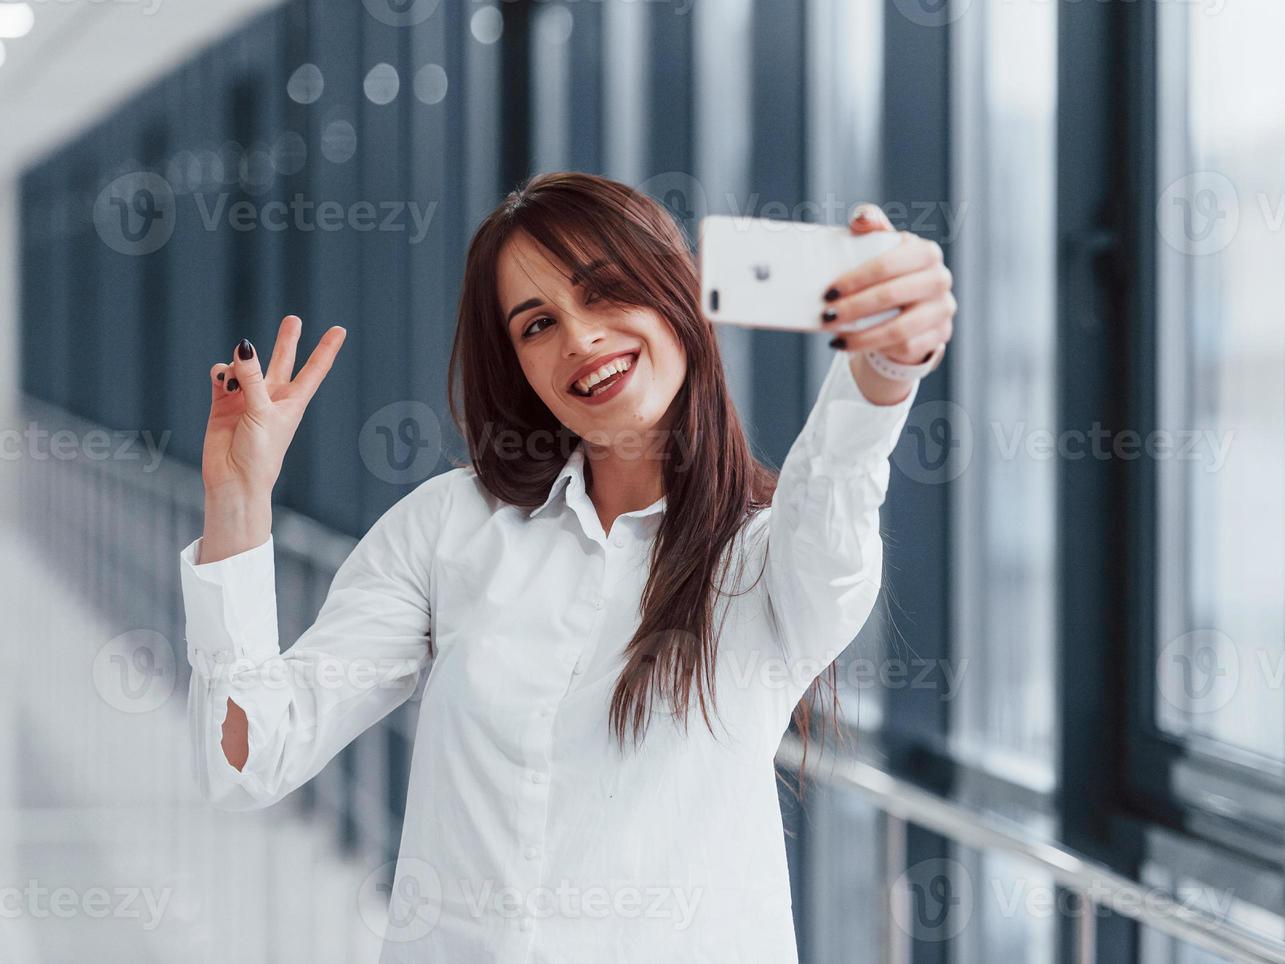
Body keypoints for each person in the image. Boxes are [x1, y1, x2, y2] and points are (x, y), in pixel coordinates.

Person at [178, 172, 955, 961]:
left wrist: (882, 373)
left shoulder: (768, 556)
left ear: (675, 295)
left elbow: (837, 490)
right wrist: (237, 502)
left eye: (607, 291)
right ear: (516, 366)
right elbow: (247, 760)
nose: (581, 338)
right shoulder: (450, 528)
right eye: (538, 324)